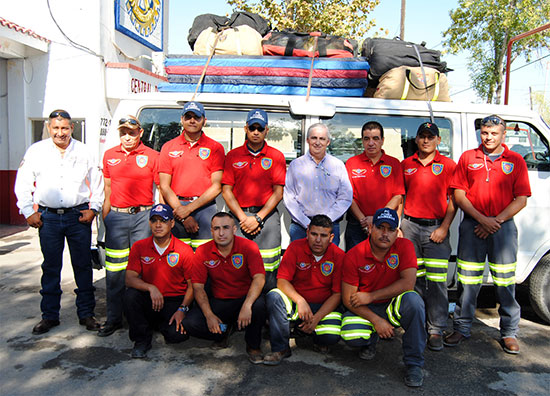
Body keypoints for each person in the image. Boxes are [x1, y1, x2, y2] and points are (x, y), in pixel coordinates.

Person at [444, 115, 531, 354]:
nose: (488, 137)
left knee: (504, 282)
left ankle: (509, 332)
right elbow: (458, 194)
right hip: (473, 226)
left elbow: (521, 199)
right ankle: (461, 327)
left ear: (503, 134)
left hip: (503, 229)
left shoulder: (515, 161)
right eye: (484, 133)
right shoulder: (468, 158)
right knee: (468, 281)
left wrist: (496, 221)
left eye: (493, 133)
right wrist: (482, 219)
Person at [14, 109, 104, 335]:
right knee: (51, 267)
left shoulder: (84, 151)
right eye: (56, 128)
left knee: (83, 265)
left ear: (72, 128)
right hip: (49, 218)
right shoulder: (36, 151)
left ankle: (86, 314)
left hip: (78, 217)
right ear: (48, 127)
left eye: (65, 128)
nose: (60, 133)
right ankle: (49, 316)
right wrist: (27, 211)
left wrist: (93, 209)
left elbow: (98, 182)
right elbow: (23, 183)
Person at [341, 208, 426, 387]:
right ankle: (370, 340)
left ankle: (414, 364)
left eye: (391, 229)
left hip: (391, 305)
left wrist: (371, 296)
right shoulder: (354, 255)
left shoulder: (405, 246)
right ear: (371, 228)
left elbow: (408, 283)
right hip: (367, 310)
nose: (385, 234)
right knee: (350, 331)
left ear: (397, 232)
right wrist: (376, 320)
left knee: (414, 302)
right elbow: (348, 299)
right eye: (380, 227)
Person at [99, 115, 160, 337]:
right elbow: (107, 189)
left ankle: (145, 319)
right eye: (123, 132)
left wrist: (159, 219)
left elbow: (160, 190)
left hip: (143, 217)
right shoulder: (109, 155)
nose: (127, 137)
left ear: (140, 133)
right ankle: (114, 319)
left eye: (132, 132)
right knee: (115, 271)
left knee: (145, 270)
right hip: (116, 218)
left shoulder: (152, 156)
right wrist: (106, 218)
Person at [400, 122, 457, 351]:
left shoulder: (448, 165)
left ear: (438, 140)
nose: (426, 141)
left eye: (430, 137)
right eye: (422, 137)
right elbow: (400, 196)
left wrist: (444, 227)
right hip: (410, 227)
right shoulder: (406, 165)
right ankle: (416, 324)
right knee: (413, 280)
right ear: (416, 139)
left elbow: (454, 200)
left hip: (436, 230)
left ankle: (435, 329)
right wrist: (400, 225)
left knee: (436, 282)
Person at [182, 212, 266, 364]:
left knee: (259, 305)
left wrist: (247, 306)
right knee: (190, 323)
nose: (221, 233)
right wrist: (209, 316)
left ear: (234, 230)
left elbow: (259, 278)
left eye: (226, 228)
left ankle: (253, 345)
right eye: (217, 228)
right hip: (220, 301)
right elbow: (198, 287)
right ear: (211, 231)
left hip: (244, 298)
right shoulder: (202, 251)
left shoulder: (249, 246)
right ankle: (224, 331)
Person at [264, 214, 344, 365]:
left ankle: (316, 337)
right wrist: (300, 300)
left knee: (331, 336)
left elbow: (337, 294)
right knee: (273, 296)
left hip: (323, 306)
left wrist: (317, 318)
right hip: (298, 304)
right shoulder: (295, 247)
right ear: (307, 232)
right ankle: (281, 348)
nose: (318, 240)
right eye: (314, 234)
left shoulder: (339, 256)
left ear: (331, 237)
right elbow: (282, 281)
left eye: (323, 235)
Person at [222, 109, 286, 292]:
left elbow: (278, 192)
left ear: (267, 130)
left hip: (266, 219)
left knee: (269, 269)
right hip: (238, 217)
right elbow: (226, 190)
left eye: (260, 128)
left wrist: (257, 218)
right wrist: (244, 218)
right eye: (252, 127)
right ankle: (238, 312)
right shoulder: (233, 156)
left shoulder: (276, 156)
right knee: (237, 268)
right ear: (245, 129)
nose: (256, 132)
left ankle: (266, 313)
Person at [124, 203, 194, 358]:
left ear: (172, 223)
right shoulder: (139, 246)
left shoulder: (184, 250)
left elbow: (192, 286)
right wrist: (151, 288)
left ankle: (159, 324)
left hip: (174, 300)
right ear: (149, 223)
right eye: (154, 220)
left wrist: (182, 310)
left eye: (163, 221)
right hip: (151, 297)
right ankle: (141, 341)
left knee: (176, 337)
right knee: (131, 296)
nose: (158, 225)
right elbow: (129, 279)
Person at [159, 101, 225, 249]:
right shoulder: (168, 147)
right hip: (176, 207)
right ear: (182, 119)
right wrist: (182, 213)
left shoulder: (215, 148)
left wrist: (188, 210)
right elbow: (164, 185)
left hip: (205, 209)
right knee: (176, 258)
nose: (192, 120)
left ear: (204, 121)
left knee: (205, 259)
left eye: (197, 117)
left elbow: (217, 186)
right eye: (188, 117)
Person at [284, 123, 352, 246]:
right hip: (301, 227)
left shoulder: (338, 166)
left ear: (328, 142)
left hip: (330, 226)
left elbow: (345, 197)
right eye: (314, 138)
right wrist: (306, 223)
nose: (317, 142)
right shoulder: (295, 165)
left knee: (328, 263)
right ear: (307, 140)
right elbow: (289, 198)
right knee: (300, 263)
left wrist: (325, 221)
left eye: (322, 139)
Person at [345, 121, 404, 251]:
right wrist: (364, 220)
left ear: (382, 140)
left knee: (384, 266)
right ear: (362, 140)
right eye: (367, 139)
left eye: (375, 138)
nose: (371, 143)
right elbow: (349, 197)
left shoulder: (394, 163)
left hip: (385, 224)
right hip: (358, 225)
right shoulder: (352, 163)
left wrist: (379, 217)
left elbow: (398, 196)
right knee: (354, 264)